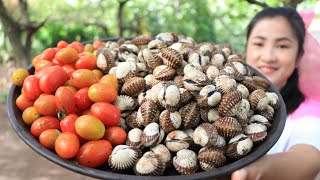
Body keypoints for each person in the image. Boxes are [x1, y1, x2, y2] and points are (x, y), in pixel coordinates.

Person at [231, 7, 320, 180]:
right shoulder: (230, 91)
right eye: (259, 43)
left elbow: (307, 157)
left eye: (282, 46)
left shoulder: (309, 116)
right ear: (246, 48)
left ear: (299, 56)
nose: (268, 56)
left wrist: (257, 170)